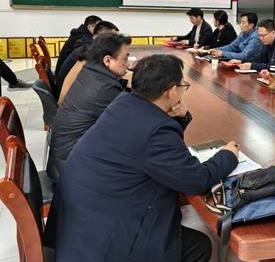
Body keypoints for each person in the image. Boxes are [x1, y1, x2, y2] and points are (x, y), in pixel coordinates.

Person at [51, 54, 239, 262]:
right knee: (200, 245)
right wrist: (228, 155)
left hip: (81, 222)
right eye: (182, 86)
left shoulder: (123, 103)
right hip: (105, 243)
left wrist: (180, 117)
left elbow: (155, 150)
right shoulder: (156, 131)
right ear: (170, 91)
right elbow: (196, 180)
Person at [47, 33, 132, 182]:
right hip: (74, 171)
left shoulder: (90, 71)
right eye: (125, 58)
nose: (128, 64)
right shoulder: (106, 89)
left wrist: (124, 83)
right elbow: (132, 125)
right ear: (107, 60)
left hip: (63, 157)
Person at [55, 20, 119, 100]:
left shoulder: (88, 46)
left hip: (65, 93)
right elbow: (105, 77)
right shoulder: (91, 52)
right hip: (67, 97)